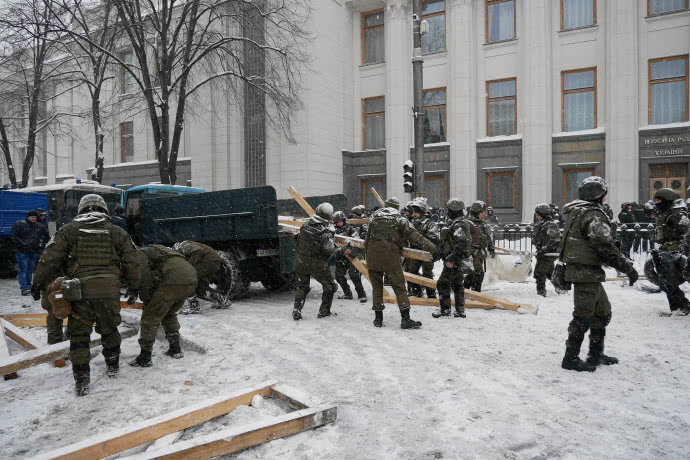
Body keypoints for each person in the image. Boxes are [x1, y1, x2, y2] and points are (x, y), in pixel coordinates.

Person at [31, 194, 140, 395]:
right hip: (109, 290)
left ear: (81, 209)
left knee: (79, 336)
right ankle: (113, 365)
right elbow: (133, 261)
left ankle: (82, 379)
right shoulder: (117, 231)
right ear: (104, 209)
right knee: (109, 330)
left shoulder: (69, 230)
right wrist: (134, 286)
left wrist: (37, 282)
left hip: (78, 290)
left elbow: (49, 258)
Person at [560, 176, 637, 372]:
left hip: (588, 272)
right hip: (584, 272)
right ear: (600, 195)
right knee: (583, 316)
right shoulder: (592, 214)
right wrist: (626, 267)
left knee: (602, 313)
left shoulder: (578, 211)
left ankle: (595, 353)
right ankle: (570, 358)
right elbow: (603, 246)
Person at [365, 197, 436, 329]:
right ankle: (405, 319)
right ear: (397, 207)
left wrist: (369, 255)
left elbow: (366, 239)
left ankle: (378, 319)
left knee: (377, 286)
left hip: (372, 256)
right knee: (399, 287)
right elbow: (416, 237)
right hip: (390, 256)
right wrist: (433, 248)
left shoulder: (373, 218)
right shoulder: (400, 219)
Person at [130, 245, 198, 367]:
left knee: (149, 318)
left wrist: (146, 299)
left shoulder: (139, 253)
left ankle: (145, 357)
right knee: (169, 313)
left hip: (173, 279)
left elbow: (144, 277)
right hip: (191, 278)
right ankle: (175, 348)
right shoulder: (161, 251)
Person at [292, 203, 344, 320]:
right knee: (330, 286)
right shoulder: (325, 230)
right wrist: (340, 248)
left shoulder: (305, 226)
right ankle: (324, 311)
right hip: (317, 263)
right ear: (328, 215)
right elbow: (328, 250)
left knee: (302, 286)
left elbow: (297, 239)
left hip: (301, 261)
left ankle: (297, 309)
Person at [652, 190, 690, 315]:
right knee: (666, 282)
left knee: (670, 281)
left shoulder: (677, 214)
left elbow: (686, 235)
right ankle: (680, 307)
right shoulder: (666, 212)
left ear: (667, 200)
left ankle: (681, 307)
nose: (656, 203)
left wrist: (681, 252)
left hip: (676, 252)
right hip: (666, 250)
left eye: (658, 201)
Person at [433, 199, 472, 318]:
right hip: (457, 260)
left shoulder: (458, 225)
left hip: (454, 260)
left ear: (454, 211)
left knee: (442, 283)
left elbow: (461, 243)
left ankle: (445, 309)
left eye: (449, 210)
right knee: (457, 283)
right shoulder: (457, 223)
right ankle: (460, 310)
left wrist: (451, 259)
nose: (447, 212)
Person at [173, 240, 227, 312]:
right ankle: (222, 300)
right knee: (200, 286)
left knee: (188, 280)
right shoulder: (185, 247)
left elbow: (197, 250)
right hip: (213, 261)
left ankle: (194, 305)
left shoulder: (184, 246)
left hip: (209, 261)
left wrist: (189, 266)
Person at [404, 200, 440, 299]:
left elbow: (434, 238)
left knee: (427, 274)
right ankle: (416, 291)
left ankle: (431, 294)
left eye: (417, 211)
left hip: (426, 253)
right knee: (411, 272)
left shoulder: (429, 224)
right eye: (414, 211)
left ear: (422, 212)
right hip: (415, 252)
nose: (415, 214)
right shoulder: (411, 223)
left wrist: (421, 238)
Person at [332, 211, 367, 302]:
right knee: (338, 276)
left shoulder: (351, 229)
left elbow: (357, 242)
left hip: (352, 255)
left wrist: (351, 251)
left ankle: (361, 294)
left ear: (344, 220)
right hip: (340, 257)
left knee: (354, 275)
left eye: (340, 220)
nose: (338, 222)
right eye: (337, 221)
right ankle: (347, 293)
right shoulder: (332, 231)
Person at [463, 201, 495, 292]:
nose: (484, 214)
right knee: (477, 273)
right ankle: (474, 292)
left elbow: (488, 238)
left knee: (475, 273)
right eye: (482, 212)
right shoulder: (468, 224)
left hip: (480, 253)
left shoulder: (482, 224)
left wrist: (491, 248)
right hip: (472, 253)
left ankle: (468, 290)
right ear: (476, 213)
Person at [11, 210, 44, 295]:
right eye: (32, 217)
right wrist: (23, 245)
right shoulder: (20, 225)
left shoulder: (38, 226)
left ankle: (28, 287)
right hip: (22, 251)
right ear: (28, 217)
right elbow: (14, 237)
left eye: (35, 217)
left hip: (32, 252)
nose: (34, 218)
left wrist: (39, 247)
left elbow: (41, 238)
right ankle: (24, 288)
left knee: (30, 270)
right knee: (23, 270)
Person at [532, 203, 562, 297]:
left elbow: (555, 240)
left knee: (539, 272)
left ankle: (541, 292)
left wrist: (544, 250)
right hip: (543, 253)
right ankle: (560, 287)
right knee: (549, 273)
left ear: (543, 214)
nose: (536, 216)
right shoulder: (541, 224)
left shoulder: (551, 225)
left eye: (538, 214)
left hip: (548, 254)